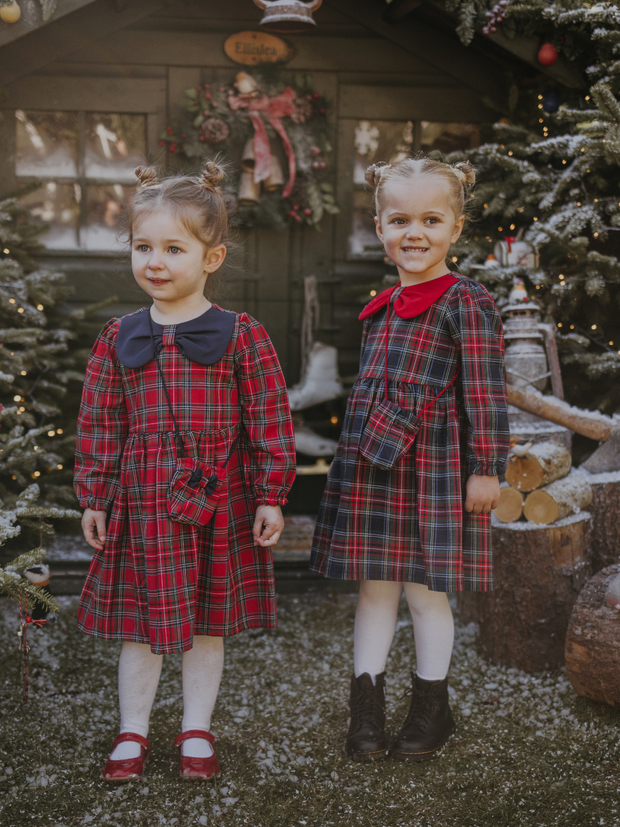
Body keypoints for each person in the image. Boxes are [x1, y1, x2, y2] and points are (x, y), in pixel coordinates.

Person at [74, 161, 296, 782]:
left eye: (174, 248)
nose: (156, 261)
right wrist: (94, 495)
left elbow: (269, 419)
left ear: (213, 256)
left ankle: (196, 730)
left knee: (207, 620)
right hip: (143, 502)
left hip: (216, 498)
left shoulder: (242, 336)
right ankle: (132, 733)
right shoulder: (117, 337)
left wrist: (271, 495)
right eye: (143, 246)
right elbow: (99, 423)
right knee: (142, 626)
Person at [310, 157, 509, 763]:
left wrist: (487, 466)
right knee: (375, 589)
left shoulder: (464, 302)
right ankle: (365, 711)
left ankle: (432, 708)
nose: (414, 232)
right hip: (375, 466)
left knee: (424, 592)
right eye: (400, 219)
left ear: (456, 227)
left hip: (436, 468)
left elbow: (485, 391)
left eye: (430, 219)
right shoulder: (383, 307)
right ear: (379, 227)